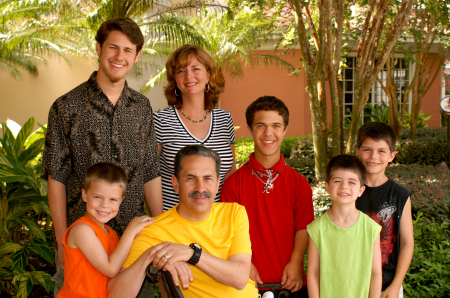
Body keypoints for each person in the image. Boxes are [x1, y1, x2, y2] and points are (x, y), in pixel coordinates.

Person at [41, 17, 163, 296]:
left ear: (138, 55)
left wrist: (163, 229)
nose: (120, 57)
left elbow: (150, 172)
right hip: (84, 247)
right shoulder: (66, 106)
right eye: (113, 47)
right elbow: (56, 177)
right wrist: (61, 240)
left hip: (134, 248)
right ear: (98, 48)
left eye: (128, 50)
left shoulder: (142, 107)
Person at [108, 145, 259, 298]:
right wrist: (151, 255)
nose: (200, 188)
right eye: (191, 178)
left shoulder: (234, 213)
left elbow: (240, 278)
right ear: (176, 184)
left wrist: (192, 254)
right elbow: (115, 294)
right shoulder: (153, 231)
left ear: (217, 183)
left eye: (208, 178)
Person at [221, 96, 314, 297]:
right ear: (250, 129)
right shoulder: (233, 184)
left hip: (291, 285)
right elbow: (229, 233)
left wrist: (297, 262)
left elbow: (304, 228)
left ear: (285, 130)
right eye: (261, 125)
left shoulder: (299, 184)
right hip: (249, 284)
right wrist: (245, 266)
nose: (268, 133)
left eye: (276, 126)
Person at [154, 44, 236, 211]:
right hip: (174, 225)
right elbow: (150, 177)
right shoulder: (160, 121)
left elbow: (231, 173)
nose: (188, 76)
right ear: (175, 79)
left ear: (208, 75)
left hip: (217, 223)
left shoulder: (224, 119)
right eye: (181, 71)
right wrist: (158, 224)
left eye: (195, 69)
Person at [58, 162, 154, 298]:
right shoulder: (81, 230)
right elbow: (110, 269)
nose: (105, 205)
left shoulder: (112, 234)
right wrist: (130, 232)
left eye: (113, 199)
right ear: (84, 195)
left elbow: (119, 269)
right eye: (98, 197)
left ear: (121, 201)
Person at [307, 155, 382, 298]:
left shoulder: (371, 228)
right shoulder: (317, 229)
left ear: (361, 190)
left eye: (352, 182)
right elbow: (313, 272)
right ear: (327, 187)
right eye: (337, 181)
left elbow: (376, 273)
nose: (344, 186)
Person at [355, 122, 414, 298]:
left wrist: (396, 285)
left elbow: (407, 243)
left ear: (392, 155)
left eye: (381, 151)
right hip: (353, 284)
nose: (374, 156)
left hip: (387, 287)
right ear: (357, 151)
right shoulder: (348, 191)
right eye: (367, 149)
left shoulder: (400, 195)